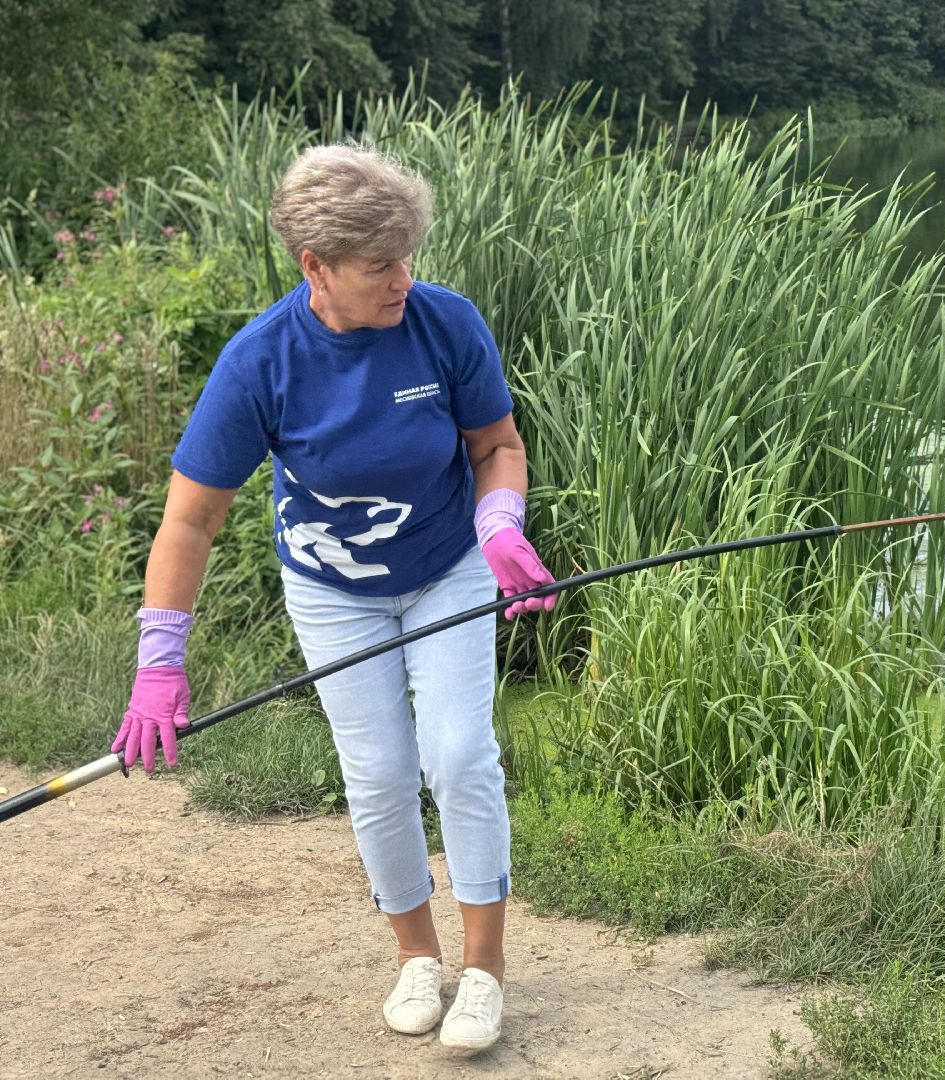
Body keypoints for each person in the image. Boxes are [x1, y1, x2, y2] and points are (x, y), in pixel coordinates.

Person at [108, 142, 556, 1051]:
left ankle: (485, 974)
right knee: (381, 776)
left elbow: (495, 447)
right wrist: (159, 661)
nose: (403, 277)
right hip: (334, 593)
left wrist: (501, 524)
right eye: (378, 264)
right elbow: (190, 522)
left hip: (446, 569)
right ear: (315, 267)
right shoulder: (260, 362)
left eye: (408, 255)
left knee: (462, 756)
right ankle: (416, 960)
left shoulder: (445, 324)